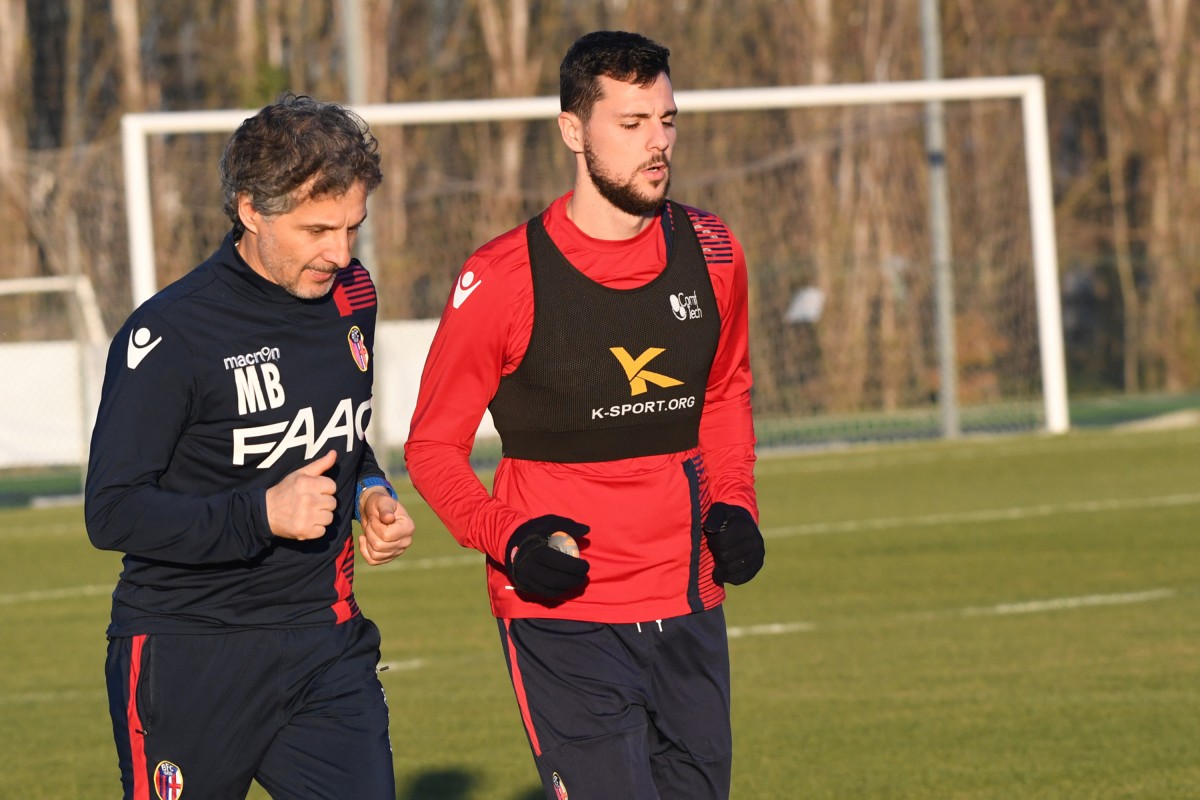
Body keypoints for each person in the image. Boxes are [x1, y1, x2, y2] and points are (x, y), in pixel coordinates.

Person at [405, 30, 765, 800]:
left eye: (666, 120)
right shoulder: (502, 277)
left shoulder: (714, 250)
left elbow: (725, 393)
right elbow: (432, 447)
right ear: (574, 131)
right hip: (563, 611)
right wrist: (511, 539)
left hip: (691, 598)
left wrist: (737, 503)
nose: (657, 142)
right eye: (631, 124)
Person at [85, 93, 413, 800]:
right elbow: (111, 511)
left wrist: (370, 490)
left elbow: (341, 436)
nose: (340, 253)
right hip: (191, 650)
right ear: (250, 211)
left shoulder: (354, 295)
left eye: (352, 227)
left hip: (326, 642)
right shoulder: (172, 334)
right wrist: (260, 514)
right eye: (316, 229)